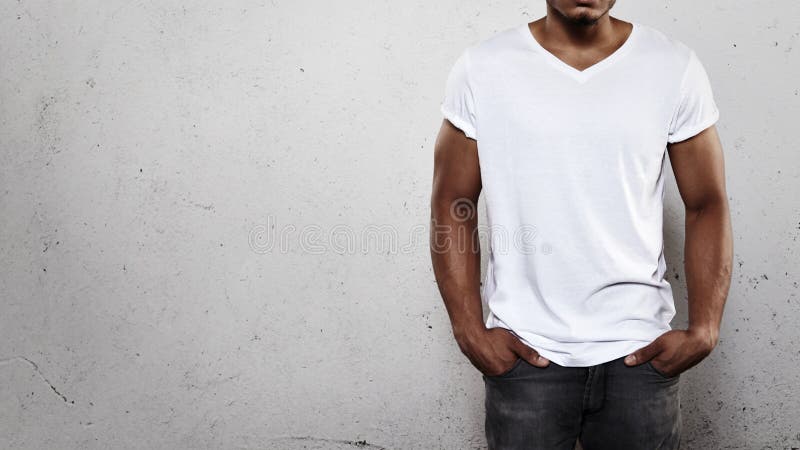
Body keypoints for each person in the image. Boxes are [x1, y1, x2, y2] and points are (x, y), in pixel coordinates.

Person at [429, 1, 733, 448]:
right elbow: (453, 201)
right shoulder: (484, 67)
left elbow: (706, 202)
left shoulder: (673, 66)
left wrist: (705, 328)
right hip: (526, 355)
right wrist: (468, 330)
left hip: (639, 353)